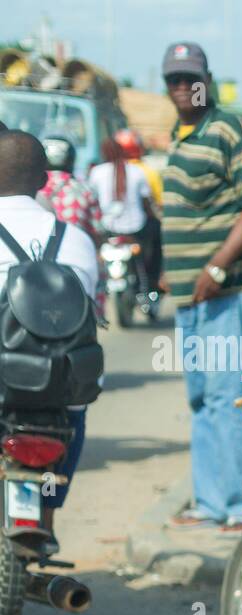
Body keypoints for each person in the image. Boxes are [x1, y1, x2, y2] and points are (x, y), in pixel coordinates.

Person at [159, 41, 242, 534]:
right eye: (174, 80)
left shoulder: (229, 128)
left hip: (226, 291)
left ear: (208, 79)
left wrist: (218, 269)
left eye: (191, 78)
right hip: (191, 293)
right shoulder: (179, 135)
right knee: (201, 399)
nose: (183, 87)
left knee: (228, 396)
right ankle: (209, 502)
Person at [0, 131, 101, 524]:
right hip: (61, 389)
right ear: (44, 181)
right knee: (73, 418)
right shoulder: (76, 239)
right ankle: (48, 510)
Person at [89, 134, 162, 293]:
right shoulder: (137, 171)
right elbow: (146, 204)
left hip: (108, 230)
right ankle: (154, 282)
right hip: (136, 229)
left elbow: (93, 202)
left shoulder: (97, 173)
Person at [38, 138, 104, 245]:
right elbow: (97, 229)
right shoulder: (84, 189)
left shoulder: (31, 187)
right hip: (76, 249)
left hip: (39, 251)